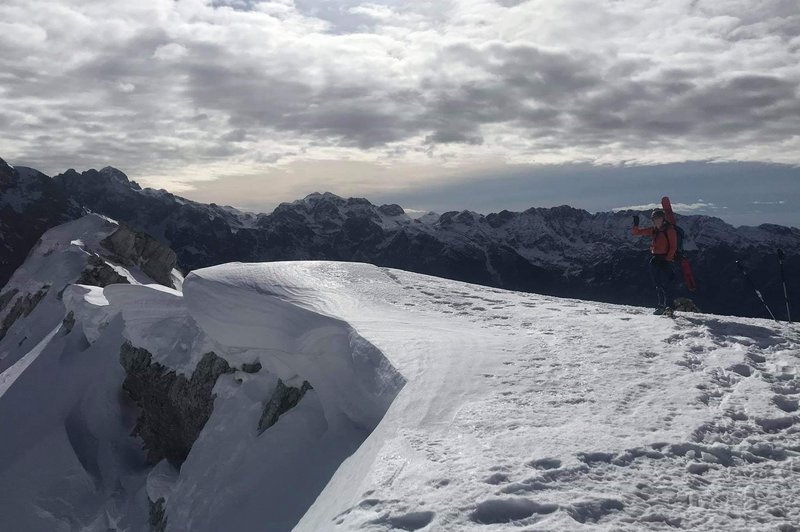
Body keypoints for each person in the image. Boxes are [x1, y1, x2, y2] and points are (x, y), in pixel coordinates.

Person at [632, 209, 677, 315]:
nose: (656, 221)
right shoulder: (654, 230)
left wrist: (668, 259)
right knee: (658, 284)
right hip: (655, 259)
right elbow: (636, 233)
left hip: (665, 259)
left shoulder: (669, 230)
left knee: (667, 284)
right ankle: (661, 306)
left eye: (658, 218)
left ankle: (669, 307)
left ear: (663, 219)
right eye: (654, 219)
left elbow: (673, 246)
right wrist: (636, 224)